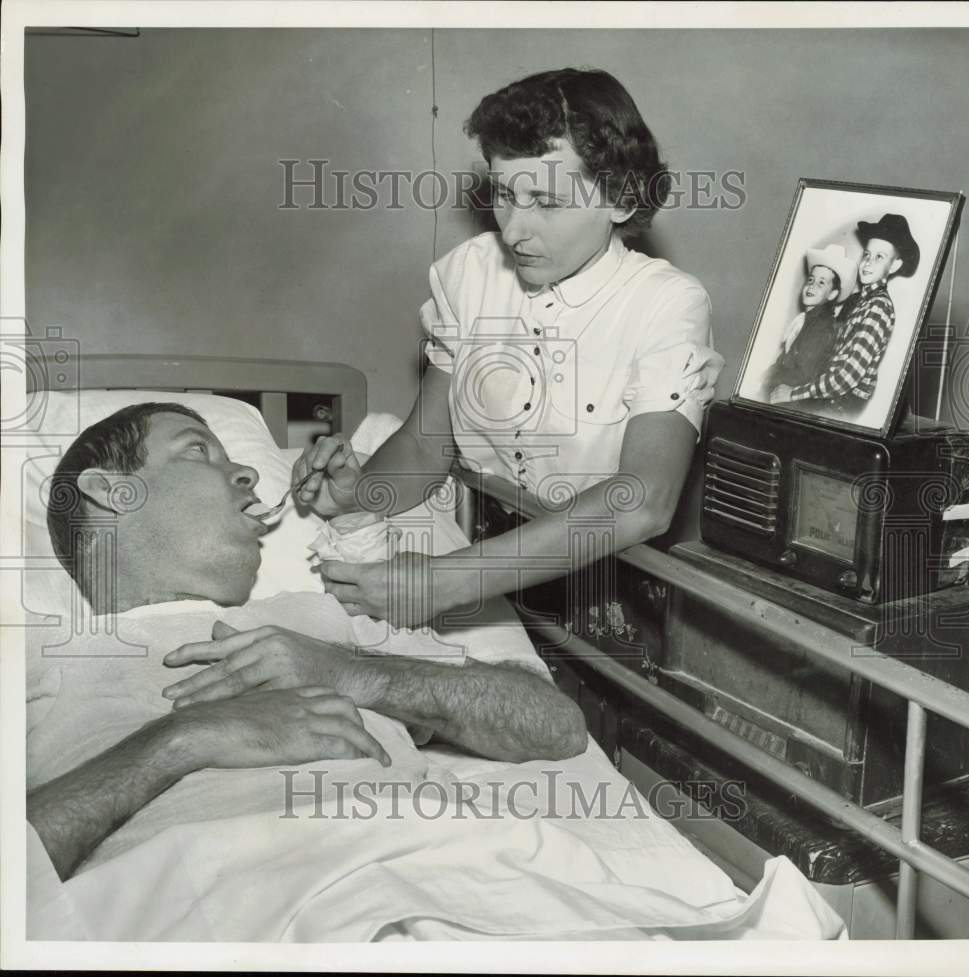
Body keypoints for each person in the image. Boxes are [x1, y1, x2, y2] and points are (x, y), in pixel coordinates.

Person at [31, 403, 587, 879]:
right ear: (111, 490)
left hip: (436, 868)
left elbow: (557, 727)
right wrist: (180, 740)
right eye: (198, 451)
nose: (247, 472)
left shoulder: (323, 622)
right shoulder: (40, 658)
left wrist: (356, 674)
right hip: (218, 907)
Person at [298, 67, 724, 629]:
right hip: (481, 552)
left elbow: (642, 499)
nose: (514, 230)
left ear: (621, 199)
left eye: (546, 202)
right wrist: (362, 494)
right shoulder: (471, 274)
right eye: (503, 195)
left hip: (609, 580)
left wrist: (446, 581)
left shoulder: (667, 304)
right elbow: (427, 449)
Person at [769, 213, 920, 409]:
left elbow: (847, 377)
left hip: (843, 403)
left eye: (879, 257)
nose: (868, 262)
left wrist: (794, 393)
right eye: (867, 254)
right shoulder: (861, 301)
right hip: (831, 393)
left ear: (895, 265)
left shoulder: (878, 308)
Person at [764, 244, 856, 400]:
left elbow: (802, 375)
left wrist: (766, 382)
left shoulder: (821, 326)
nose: (812, 285)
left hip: (795, 400)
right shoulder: (805, 320)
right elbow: (784, 361)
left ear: (832, 294)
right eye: (811, 279)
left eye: (821, 282)